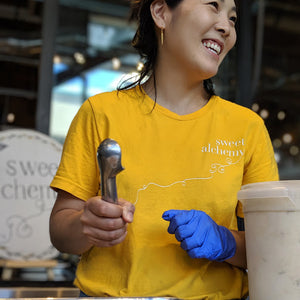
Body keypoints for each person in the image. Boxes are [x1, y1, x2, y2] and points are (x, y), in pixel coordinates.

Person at [49, 0, 279, 299]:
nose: (226, 27)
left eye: (233, 19)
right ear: (161, 13)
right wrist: (86, 225)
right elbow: (60, 230)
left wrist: (228, 243)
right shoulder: (100, 112)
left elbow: (275, 246)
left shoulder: (247, 128)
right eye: (213, 5)